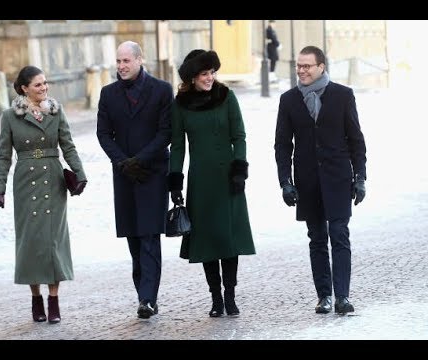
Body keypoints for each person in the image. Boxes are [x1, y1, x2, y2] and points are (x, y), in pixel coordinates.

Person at [274, 45, 367, 315]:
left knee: (339, 235)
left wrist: (360, 177)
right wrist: (285, 181)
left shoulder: (342, 95)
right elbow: (282, 145)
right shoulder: (289, 100)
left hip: (338, 178)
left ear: (321, 67)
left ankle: (343, 297)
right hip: (307, 181)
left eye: (307, 66)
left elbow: (356, 140)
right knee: (316, 238)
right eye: (299, 66)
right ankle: (324, 296)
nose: (301, 70)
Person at [0, 65, 87, 324]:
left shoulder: (56, 112)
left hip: (53, 180)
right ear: (24, 88)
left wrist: (80, 174)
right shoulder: (11, 116)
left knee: (53, 240)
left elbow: (68, 145)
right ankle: (36, 299)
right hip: (25, 182)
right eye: (38, 85)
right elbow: (4, 156)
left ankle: (54, 301)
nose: (44, 88)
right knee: (31, 242)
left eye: (45, 83)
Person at [168, 49, 256, 318]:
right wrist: (175, 181)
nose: (210, 78)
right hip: (201, 182)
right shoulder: (181, 104)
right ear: (192, 78)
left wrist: (239, 170)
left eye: (212, 73)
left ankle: (230, 295)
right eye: (204, 74)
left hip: (228, 179)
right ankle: (216, 298)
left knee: (228, 239)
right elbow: (178, 148)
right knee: (207, 242)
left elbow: (239, 136)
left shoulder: (226, 96)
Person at [96, 41, 173, 319]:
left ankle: (147, 299)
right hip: (124, 175)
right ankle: (143, 292)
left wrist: (141, 160)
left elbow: (166, 132)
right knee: (133, 237)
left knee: (149, 235)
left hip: (152, 174)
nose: (121, 66)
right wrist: (123, 162)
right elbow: (103, 134)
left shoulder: (162, 90)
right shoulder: (108, 94)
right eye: (118, 61)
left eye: (126, 61)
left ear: (140, 60)